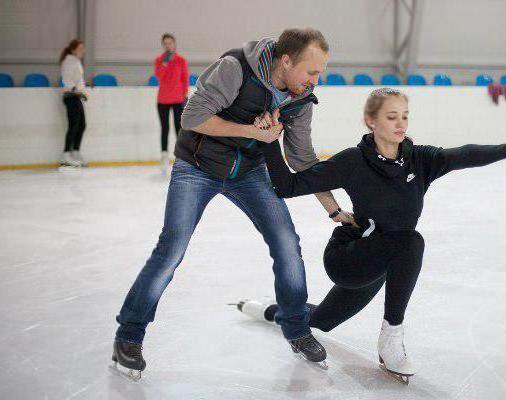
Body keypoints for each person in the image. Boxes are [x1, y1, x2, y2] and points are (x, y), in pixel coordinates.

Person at [238, 88, 506, 383]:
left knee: (321, 321)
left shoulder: (419, 159)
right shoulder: (352, 161)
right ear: (371, 121)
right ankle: (391, 337)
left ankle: (267, 310)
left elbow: (461, 154)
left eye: (405, 116)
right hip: (350, 258)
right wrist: (268, 142)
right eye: (391, 117)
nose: (400, 124)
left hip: (383, 262)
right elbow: (286, 187)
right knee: (412, 241)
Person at [112, 28, 354, 379]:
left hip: (250, 173)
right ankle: (129, 335)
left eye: (320, 72)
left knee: (287, 243)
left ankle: (297, 328)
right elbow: (192, 117)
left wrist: (331, 208)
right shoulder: (235, 67)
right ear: (286, 61)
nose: (317, 79)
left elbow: (302, 158)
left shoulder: (300, 97)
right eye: (311, 71)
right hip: (197, 168)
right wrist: (253, 133)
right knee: (171, 249)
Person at [154, 33, 189, 174]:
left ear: (174, 44)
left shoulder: (181, 60)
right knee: (164, 128)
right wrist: (164, 63)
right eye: (166, 43)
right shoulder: (159, 60)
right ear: (163, 45)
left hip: (177, 99)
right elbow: (158, 76)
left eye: (170, 43)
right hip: (163, 99)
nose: (168, 45)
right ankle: (163, 155)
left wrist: (185, 94)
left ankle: (180, 156)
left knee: (178, 129)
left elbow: (184, 78)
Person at [59, 39, 89, 167]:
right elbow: (67, 81)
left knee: (81, 125)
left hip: (76, 96)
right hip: (71, 96)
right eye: (80, 48)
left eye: (83, 48)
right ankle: (65, 154)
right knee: (73, 126)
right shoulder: (69, 61)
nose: (83, 51)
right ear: (73, 49)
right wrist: (77, 91)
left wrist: (82, 92)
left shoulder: (76, 61)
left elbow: (78, 80)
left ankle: (75, 151)